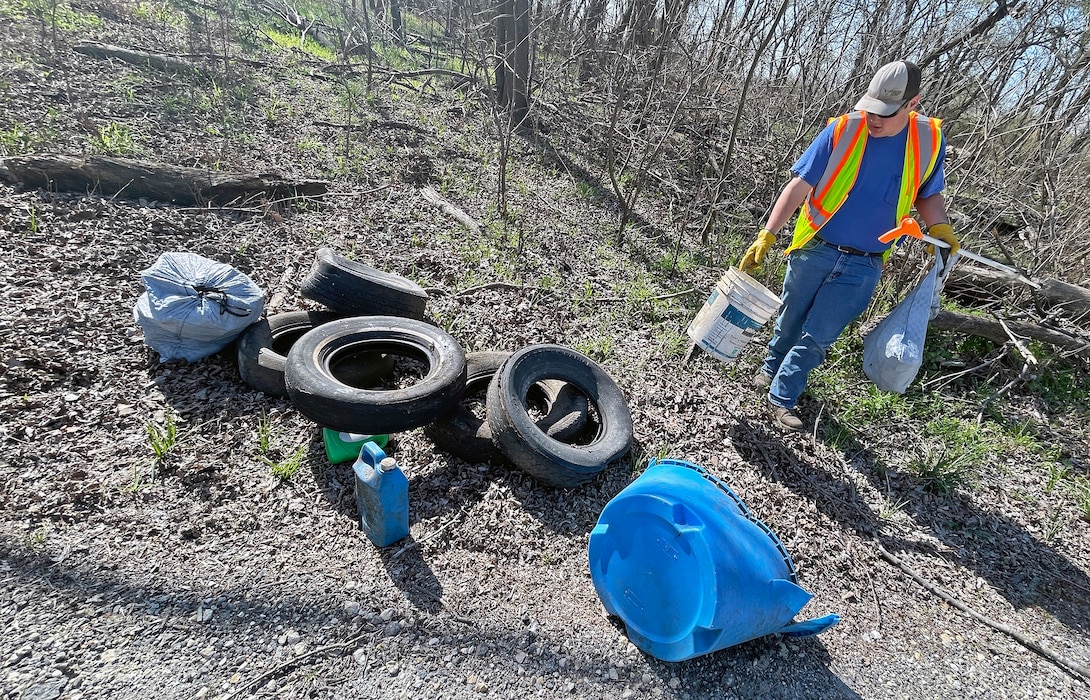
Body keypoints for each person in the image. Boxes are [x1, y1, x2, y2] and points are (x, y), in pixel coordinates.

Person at [738, 60, 961, 432]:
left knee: (818, 334)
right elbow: (800, 184)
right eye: (871, 107)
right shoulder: (843, 130)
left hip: (866, 261)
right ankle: (769, 369)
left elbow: (928, 195)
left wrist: (940, 226)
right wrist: (769, 232)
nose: (874, 118)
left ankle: (783, 397)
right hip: (816, 245)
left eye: (886, 113)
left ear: (912, 104)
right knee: (791, 319)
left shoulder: (928, 141)